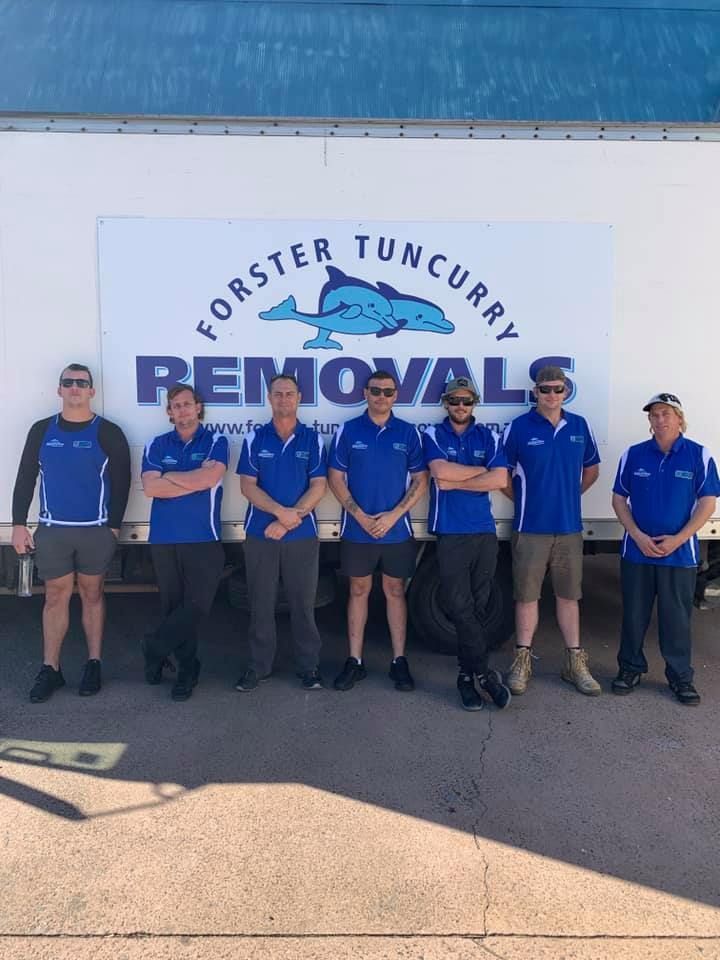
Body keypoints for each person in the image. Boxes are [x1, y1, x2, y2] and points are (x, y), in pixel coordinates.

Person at [12, 363, 131, 702]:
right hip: (53, 530)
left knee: (92, 595)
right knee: (54, 597)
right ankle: (51, 669)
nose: (75, 387)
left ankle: (94, 663)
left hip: (94, 531)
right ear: (59, 389)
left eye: (82, 383)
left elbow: (122, 482)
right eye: (68, 382)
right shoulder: (41, 430)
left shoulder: (107, 431)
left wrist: (113, 528)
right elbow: (25, 478)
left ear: (92, 391)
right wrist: (19, 523)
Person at [611, 393, 719, 705]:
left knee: (676, 619)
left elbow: (707, 502)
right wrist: (637, 535)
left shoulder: (698, 455)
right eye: (654, 415)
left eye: (666, 414)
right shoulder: (633, 455)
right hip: (637, 551)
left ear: (679, 418)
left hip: (679, 553)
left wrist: (680, 538)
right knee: (633, 615)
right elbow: (619, 499)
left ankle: (680, 677)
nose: (660, 420)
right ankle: (630, 669)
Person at [501, 365, 601, 696]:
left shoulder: (580, 425)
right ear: (535, 392)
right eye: (545, 389)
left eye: (558, 389)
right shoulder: (518, 427)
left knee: (569, 596)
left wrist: (568, 497)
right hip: (530, 528)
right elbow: (503, 477)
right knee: (526, 596)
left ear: (566, 391)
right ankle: (522, 662)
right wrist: (532, 501)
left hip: (569, 528)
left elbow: (591, 470)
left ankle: (574, 663)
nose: (552, 395)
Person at [328, 370, 427, 692]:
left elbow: (420, 479)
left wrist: (393, 516)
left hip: (396, 530)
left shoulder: (408, 433)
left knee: (395, 591)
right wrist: (360, 516)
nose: (381, 396)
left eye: (388, 392)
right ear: (365, 393)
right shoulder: (349, 430)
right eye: (375, 391)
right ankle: (354, 661)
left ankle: (399, 660)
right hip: (358, 529)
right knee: (358, 591)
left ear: (396, 395)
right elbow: (335, 477)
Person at [422, 377, 512, 711]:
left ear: (474, 404)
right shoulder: (433, 434)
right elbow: (439, 474)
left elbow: (500, 479)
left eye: (467, 401)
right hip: (450, 531)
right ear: (446, 403)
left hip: (484, 532)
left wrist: (459, 477)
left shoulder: (488, 435)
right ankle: (485, 674)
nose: (461, 406)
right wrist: (479, 473)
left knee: (478, 605)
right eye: (455, 401)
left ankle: (465, 676)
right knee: (459, 606)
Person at [236, 374, 328, 691]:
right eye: (278, 394)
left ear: (299, 397)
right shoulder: (255, 438)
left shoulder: (312, 439)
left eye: (290, 393)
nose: (284, 399)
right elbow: (247, 486)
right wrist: (279, 513)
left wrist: (291, 519)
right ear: (270, 398)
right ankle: (258, 667)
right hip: (261, 535)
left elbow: (319, 486)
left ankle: (309, 668)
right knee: (261, 604)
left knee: (303, 604)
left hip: (301, 535)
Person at [141, 384, 228, 701]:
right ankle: (187, 670)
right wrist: (191, 477)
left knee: (197, 606)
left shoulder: (216, 441)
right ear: (169, 411)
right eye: (175, 406)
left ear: (198, 407)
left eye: (187, 405)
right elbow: (150, 488)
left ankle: (154, 646)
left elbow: (209, 480)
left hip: (203, 537)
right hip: (164, 538)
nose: (182, 410)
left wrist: (171, 476)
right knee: (172, 607)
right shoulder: (156, 443)